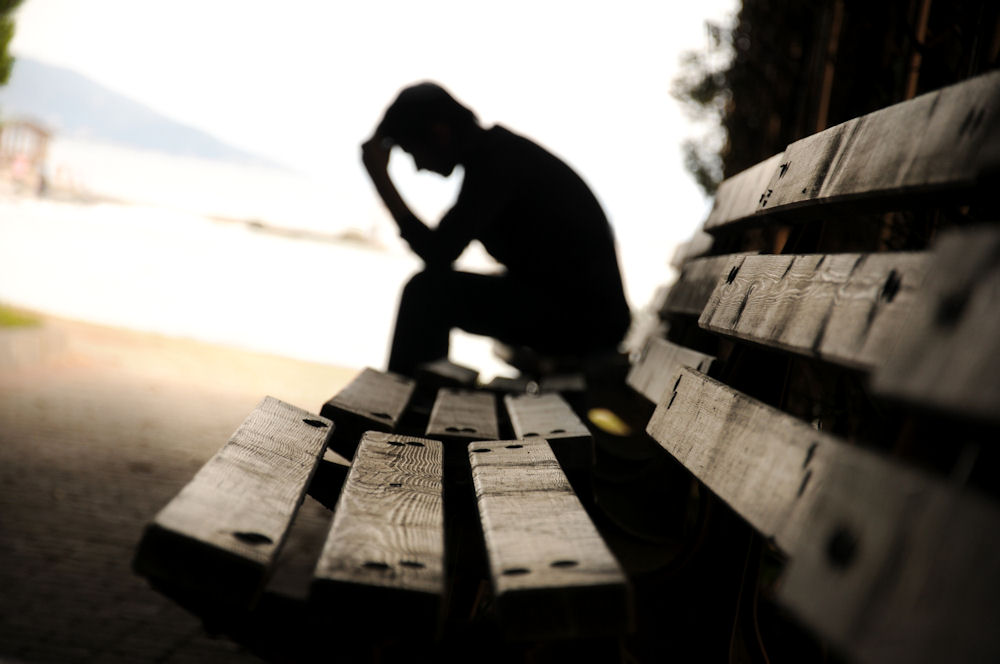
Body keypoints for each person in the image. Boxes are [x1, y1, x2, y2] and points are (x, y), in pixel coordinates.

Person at [362, 82, 631, 376]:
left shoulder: (496, 161)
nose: (418, 167)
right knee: (429, 291)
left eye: (414, 153)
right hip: (583, 314)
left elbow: (439, 252)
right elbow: (443, 246)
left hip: (587, 323)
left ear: (440, 134)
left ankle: (400, 408)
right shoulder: (495, 155)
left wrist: (381, 179)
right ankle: (416, 398)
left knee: (425, 294)